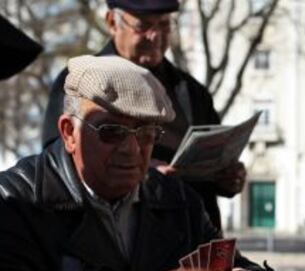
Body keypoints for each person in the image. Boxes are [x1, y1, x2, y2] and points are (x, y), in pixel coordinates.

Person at [0, 54, 296, 271]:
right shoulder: (16, 198)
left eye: (146, 133)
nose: (131, 149)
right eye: (111, 131)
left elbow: (234, 267)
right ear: (68, 133)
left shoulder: (178, 199)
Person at [42, 0, 246, 231]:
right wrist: (143, 171)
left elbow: (215, 166)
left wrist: (228, 178)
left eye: (165, 25)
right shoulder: (79, 82)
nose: (155, 35)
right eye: (144, 25)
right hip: (112, 233)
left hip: (191, 234)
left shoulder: (193, 91)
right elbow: (55, 159)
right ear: (112, 22)